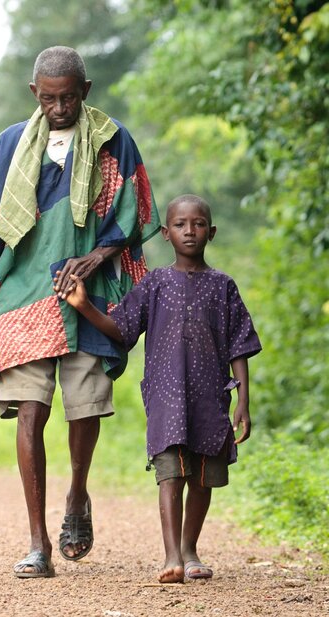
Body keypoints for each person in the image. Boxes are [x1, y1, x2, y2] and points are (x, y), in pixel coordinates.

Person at [0, 46, 160, 578]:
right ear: (34, 94)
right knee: (30, 410)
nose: (59, 107)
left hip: (88, 296)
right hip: (23, 293)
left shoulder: (114, 139)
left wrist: (96, 257)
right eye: (48, 98)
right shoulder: (9, 144)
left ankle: (76, 495)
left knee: (86, 408)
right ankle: (37, 543)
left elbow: (135, 211)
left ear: (85, 91)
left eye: (68, 97)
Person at [57, 194, 261, 583]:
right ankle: (171, 556)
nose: (190, 231)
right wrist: (84, 307)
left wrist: (243, 403)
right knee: (170, 475)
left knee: (203, 478)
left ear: (211, 232)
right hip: (166, 399)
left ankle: (190, 550)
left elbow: (240, 346)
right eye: (181, 225)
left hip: (211, 399)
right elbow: (124, 329)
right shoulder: (155, 283)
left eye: (198, 224)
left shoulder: (223, 286)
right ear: (166, 233)